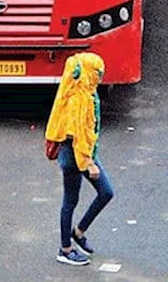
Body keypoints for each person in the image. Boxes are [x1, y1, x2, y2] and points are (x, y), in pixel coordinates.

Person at [45, 53, 114, 266]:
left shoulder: (77, 89)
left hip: (76, 154)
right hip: (76, 156)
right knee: (102, 193)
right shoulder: (80, 98)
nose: (100, 76)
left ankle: (77, 234)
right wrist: (88, 163)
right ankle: (66, 249)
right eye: (97, 72)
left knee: (73, 200)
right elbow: (78, 133)